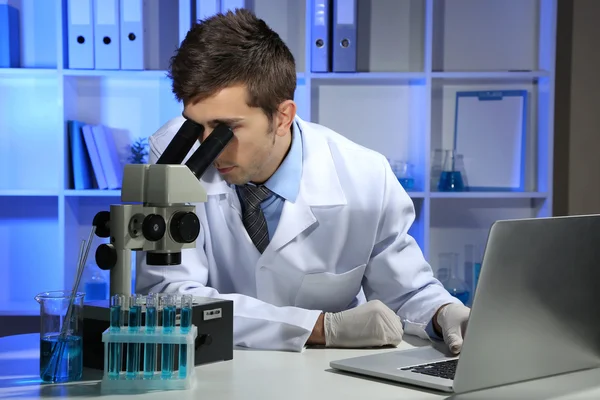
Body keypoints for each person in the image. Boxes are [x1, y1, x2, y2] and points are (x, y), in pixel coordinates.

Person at [136, 8, 470, 354]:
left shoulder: (365, 175)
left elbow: (408, 291)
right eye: (195, 125)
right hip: (218, 372)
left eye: (225, 129)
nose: (206, 147)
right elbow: (167, 297)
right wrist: (320, 327)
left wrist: (443, 313)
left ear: (283, 117)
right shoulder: (172, 159)